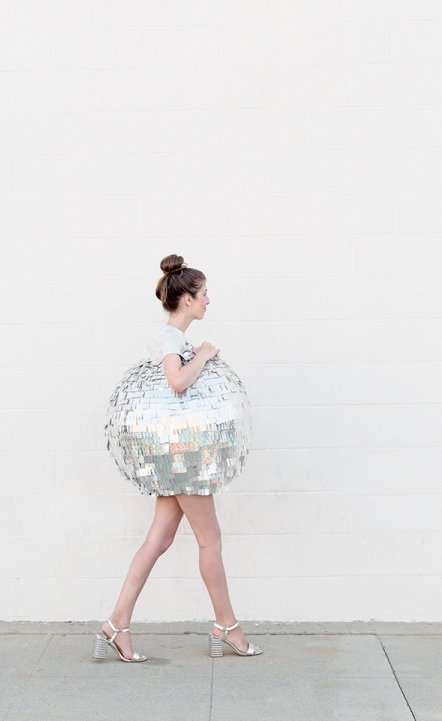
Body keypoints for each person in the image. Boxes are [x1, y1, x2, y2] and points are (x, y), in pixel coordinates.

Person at [93, 254, 262, 663]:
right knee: (211, 540)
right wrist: (202, 355)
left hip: (177, 452)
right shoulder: (172, 340)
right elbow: (177, 382)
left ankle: (116, 625)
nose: (208, 301)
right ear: (186, 299)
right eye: (204, 294)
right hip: (184, 456)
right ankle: (227, 627)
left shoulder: (173, 339)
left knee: (159, 539)